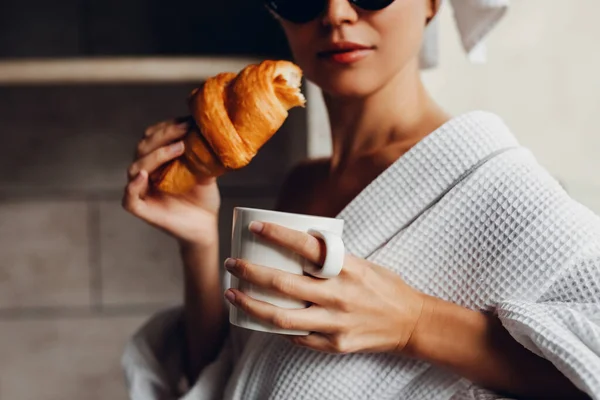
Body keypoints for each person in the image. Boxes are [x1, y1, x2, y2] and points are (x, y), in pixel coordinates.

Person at [120, 1, 600, 399]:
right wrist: (200, 241)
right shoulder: (301, 184)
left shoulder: (494, 184)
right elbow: (239, 377)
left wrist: (416, 323)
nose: (336, 13)